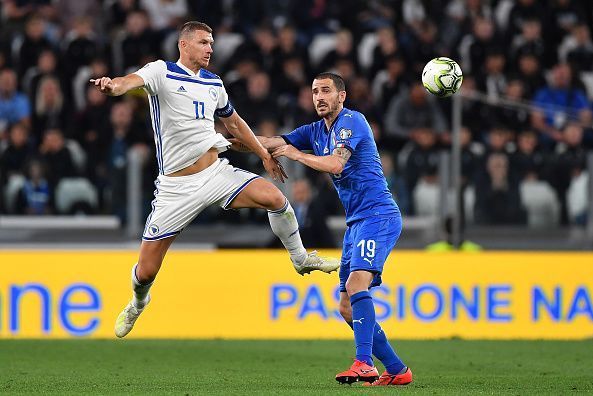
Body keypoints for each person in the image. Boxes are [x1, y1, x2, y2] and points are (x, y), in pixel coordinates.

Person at [91, 21, 339, 339]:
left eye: (212, 43)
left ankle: (301, 258)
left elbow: (235, 124)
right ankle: (139, 303)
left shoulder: (213, 82)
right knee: (146, 271)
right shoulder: (161, 72)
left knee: (275, 198)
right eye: (204, 42)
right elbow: (129, 82)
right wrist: (113, 86)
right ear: (184, 45)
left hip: (215, 172)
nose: (210, 48)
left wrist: (263, 153)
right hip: (176, 188)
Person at [231, 73, 412, 386]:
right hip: (356, 222)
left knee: (357, 286)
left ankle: (364, 363)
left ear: (341, 96)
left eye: (326, 90)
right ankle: (397, 370)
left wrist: (297, 155)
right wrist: (225, 141)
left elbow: (336, 164)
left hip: (378, 215)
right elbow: (273, 143)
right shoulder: (315, 130)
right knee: (345, 307)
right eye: (314, 91)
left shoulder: (352, 121)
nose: (319, 97)